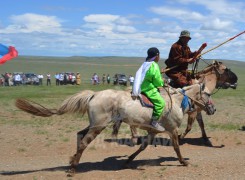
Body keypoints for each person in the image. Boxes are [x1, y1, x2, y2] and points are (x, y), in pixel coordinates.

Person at [133, 47, 165, 132]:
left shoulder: (146, 63)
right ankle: (154, 122)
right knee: (160, 103)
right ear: (157, 55)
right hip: (148, 88)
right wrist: (162, 82)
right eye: (159, 55)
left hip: (141, 86)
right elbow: (157, 82)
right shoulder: (154, 65)